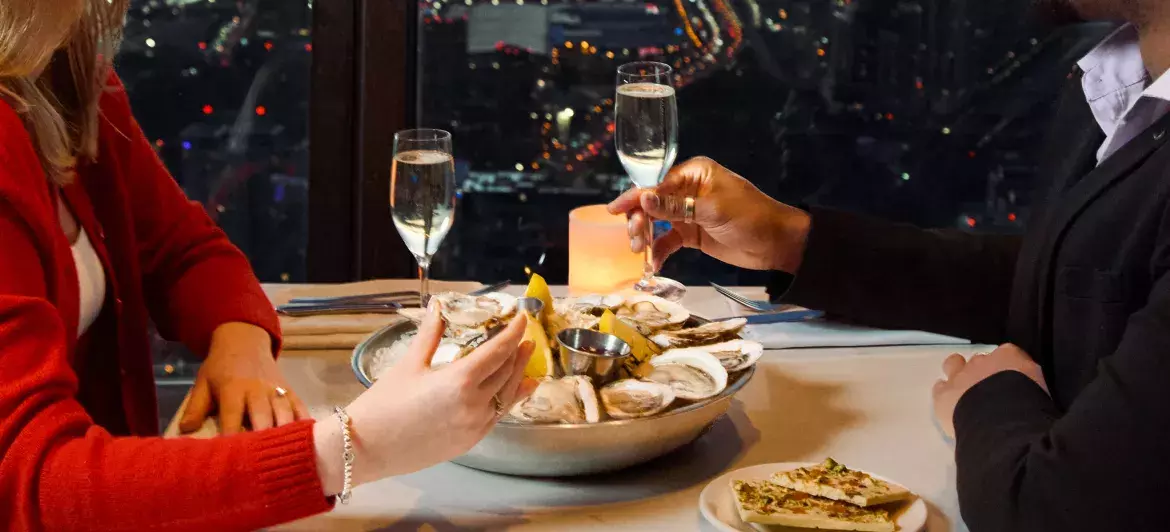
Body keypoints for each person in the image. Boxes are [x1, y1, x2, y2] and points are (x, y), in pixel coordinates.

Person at [610, 2, 1170, 530]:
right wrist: (791, 241)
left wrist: (994, 398)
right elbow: (1070, 278)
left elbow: (1057, 509)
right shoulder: (1117, 86)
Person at [0, 1, 536, 530]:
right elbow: (35, 483)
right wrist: (356, 445)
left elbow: (185, 249)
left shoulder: (63, 75)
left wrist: (239, 341)